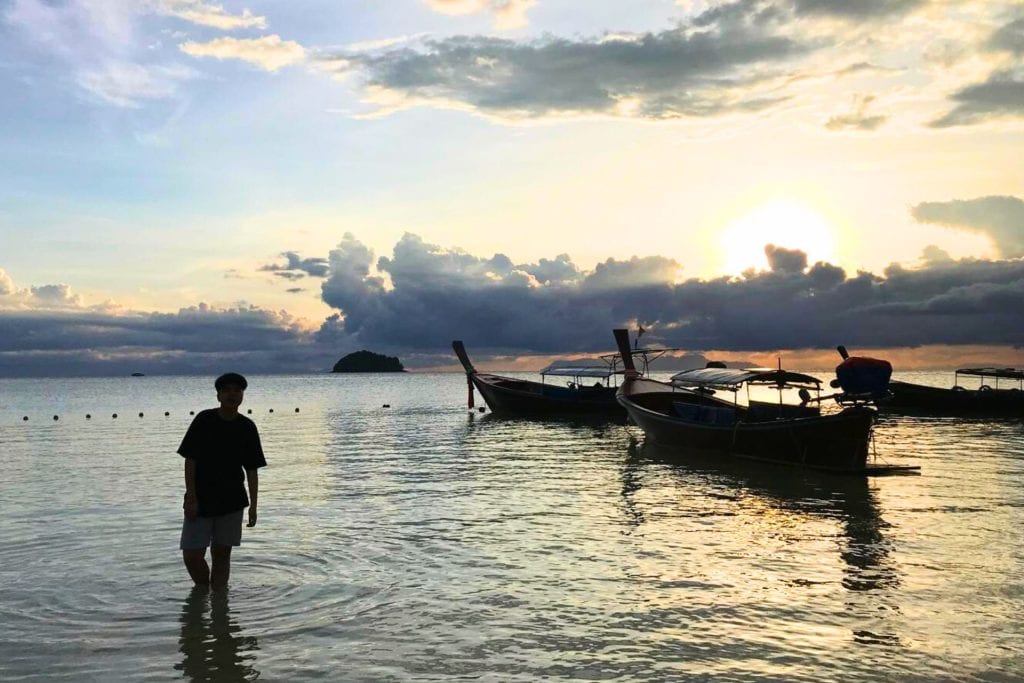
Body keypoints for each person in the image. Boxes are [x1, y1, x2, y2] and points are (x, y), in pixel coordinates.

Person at [178, 372, 266, 589]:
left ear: (242, 395)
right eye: (226, 390)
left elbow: (252, 469)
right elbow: (190, 459)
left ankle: (219, 600)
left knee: (222, 553)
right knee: (192, 554)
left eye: (237, 390)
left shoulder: (247, 426)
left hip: (232, 499)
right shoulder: (204, 420)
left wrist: (254, 507)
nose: (232, 394)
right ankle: (202, 591)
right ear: (218, 395)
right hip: (201, 497)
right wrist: (191, 496)